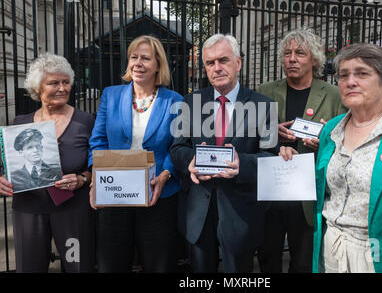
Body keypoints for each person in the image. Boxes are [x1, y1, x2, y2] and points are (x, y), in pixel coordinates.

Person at [280, 43, 382, 272]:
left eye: (362, 74)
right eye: (343, 75)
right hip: (332, 252)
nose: (350, 82)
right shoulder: (331, 130)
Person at [169, 34, 279, 273]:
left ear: (238, 63)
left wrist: (243, 164)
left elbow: (271, 156)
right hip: (198, 208)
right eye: (210, 63)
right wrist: (191, 162)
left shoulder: (264, 105)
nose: (216, 68)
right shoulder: (190, 102)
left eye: (223, 60)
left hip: (241, 210)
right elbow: (177, 148)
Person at [88, 35, 182, 272]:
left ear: (158, 65)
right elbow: (98, 141)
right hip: (114, 194)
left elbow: (178, 146)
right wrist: (95, 179)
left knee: (159, 263)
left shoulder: (175, 101)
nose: (138, 63)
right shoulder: (111, 95)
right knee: (112, 263)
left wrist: (166, 175)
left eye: (146, 58)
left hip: (157, 195)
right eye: (134, 57)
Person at [256, 28, 347, 273]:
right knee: (268, 258)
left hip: (308, 194)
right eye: (287, 53)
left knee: (304, 262)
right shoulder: (264, 92)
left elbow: (345, 141)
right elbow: (249, 136)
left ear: (315, 59)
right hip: (271, 191)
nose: (292, 59)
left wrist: (324, 143)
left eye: (300, 53)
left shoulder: (334, 95)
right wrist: (270, 132)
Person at [0, 53, 96, 272]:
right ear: (38, 89)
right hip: (29, 208)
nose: (62, 88)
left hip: (73, 210)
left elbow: (97, 166)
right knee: (29, 267)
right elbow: (5, 164)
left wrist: (82, 178)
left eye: (66, 82)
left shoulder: (85, 121)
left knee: (78, 266)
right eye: (54, 83)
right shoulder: (20, 123)